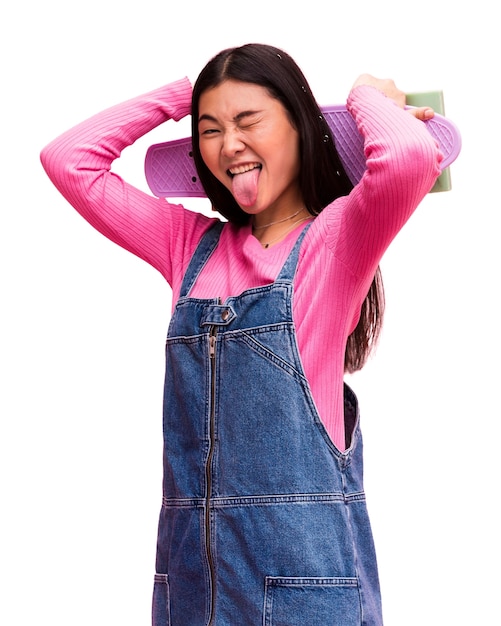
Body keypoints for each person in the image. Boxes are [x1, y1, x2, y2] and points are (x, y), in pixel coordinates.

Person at [40, 43, 442, 625]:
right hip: (193, 594)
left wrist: (367, 97)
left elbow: (409, 157)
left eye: (248, 121)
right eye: (211, 129)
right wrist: (186, 95)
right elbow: (67, 160)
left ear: (302, 128)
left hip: (307, 600)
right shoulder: (189, 249)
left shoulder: (335, 243)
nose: (229, 145)